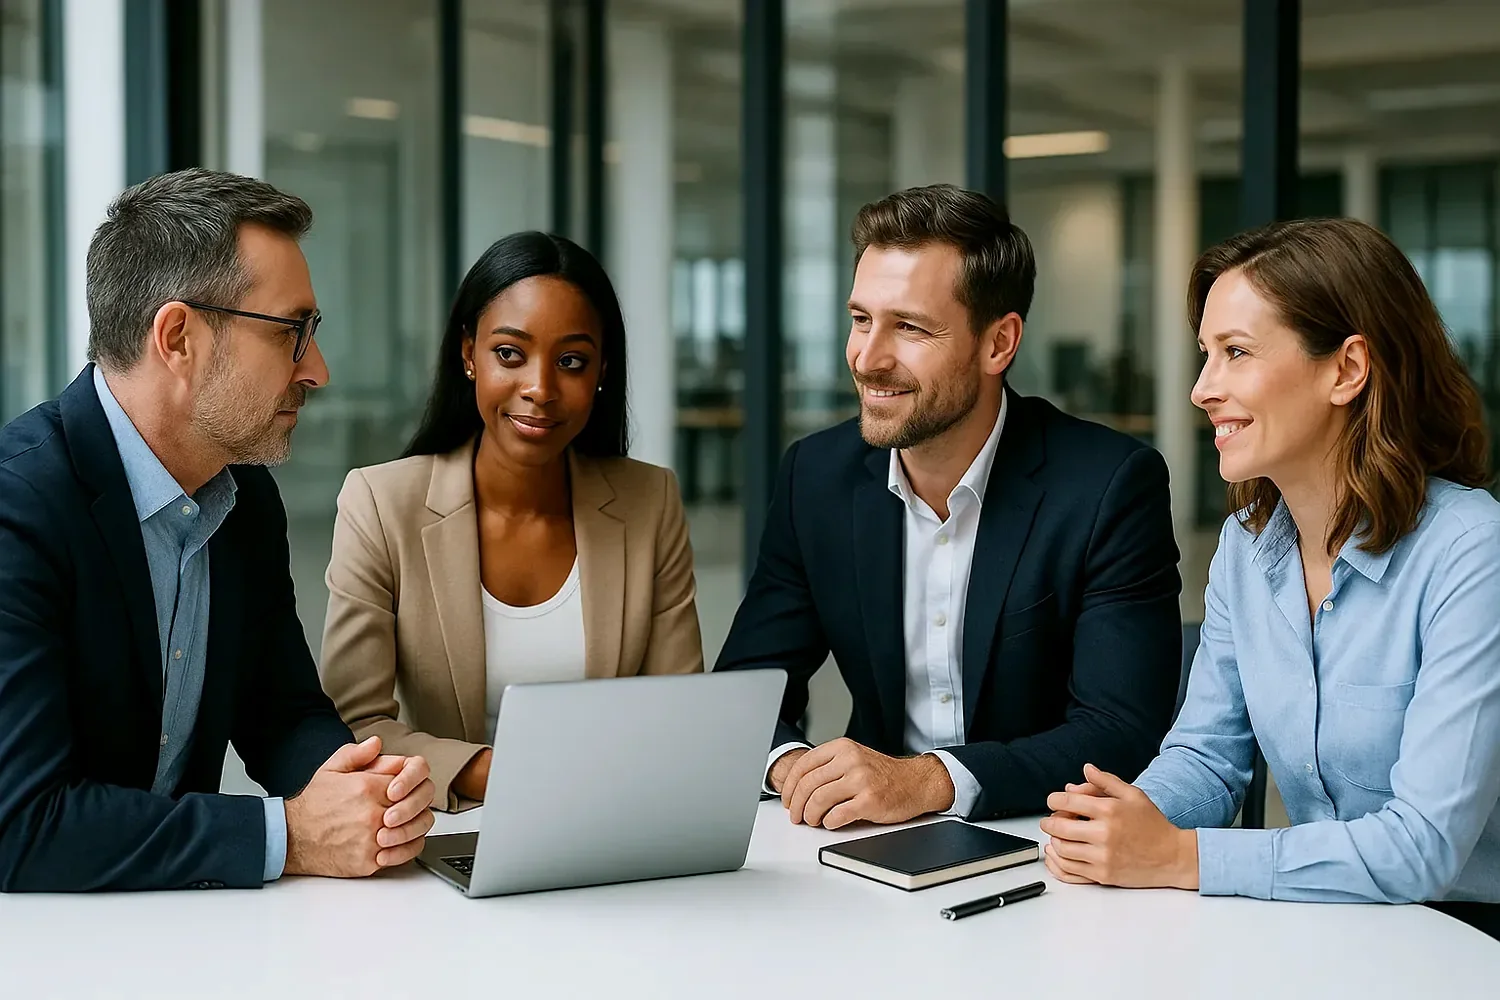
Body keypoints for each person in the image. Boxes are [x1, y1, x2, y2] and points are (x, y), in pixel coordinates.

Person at [1040, 218, 1500, 939]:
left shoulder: (1471, 549)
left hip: (1467, 935)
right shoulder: (1247, 548)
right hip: (1333, 921)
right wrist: (1123, 823)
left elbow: (1423, 847)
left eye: (1236, 353)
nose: (1201, 390)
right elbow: (1206, 758)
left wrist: (1180, 857)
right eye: (1206, 355)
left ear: (1347, 369)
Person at [0, 168, 435, 892]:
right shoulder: (19, 507)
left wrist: (366, 791)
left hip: (181, 928)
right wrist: (292, 835)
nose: (317, 370)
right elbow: (21, 824)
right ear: (178, 337)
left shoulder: (243, 497)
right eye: (292, 333)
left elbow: (282, 712)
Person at [715, 184, 1182, 828]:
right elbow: (745, 692)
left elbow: (1121, 730)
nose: (868, 358)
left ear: (998, 344)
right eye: (860, 319)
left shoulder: (1107, 485)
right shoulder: (815, 476)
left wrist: (929, 780)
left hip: (1039, 840)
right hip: (869, 841)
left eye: (908, 327)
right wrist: (793, 764)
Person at [319, 231, 703, 812]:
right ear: (468, 354)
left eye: (571, 362)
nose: (540, 389)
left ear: (602, 371)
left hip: (615, 820)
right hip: (447, 829)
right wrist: (495, 773)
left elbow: (678, 712)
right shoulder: (381, 503)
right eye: (510, 354)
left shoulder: (649, 500)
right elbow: (354, 723)